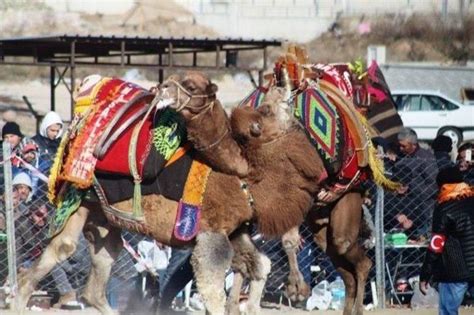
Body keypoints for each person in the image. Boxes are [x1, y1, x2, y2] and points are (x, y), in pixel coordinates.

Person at [419, 167, 474, 315]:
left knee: (448, 311)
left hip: (455, 271)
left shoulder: (444, 208)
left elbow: (436, 245)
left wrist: (425, 274)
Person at [395, 127, 438, 240]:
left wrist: (410, 188)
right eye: (400, 145)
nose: (400, 148)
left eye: (404, 146)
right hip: (402, 208)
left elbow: (433, 184)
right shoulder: (400, 156)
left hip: (422, 209)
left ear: (413, 144)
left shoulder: (425, 158)